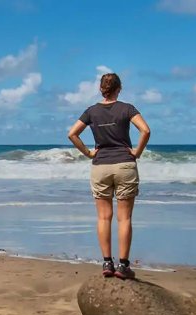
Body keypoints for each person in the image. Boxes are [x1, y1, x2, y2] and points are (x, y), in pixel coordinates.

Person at [67, 73, 151, 279]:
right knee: (124, 218)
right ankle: (123, 266)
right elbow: (146, 130)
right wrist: (137, 152)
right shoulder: (127, 108)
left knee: (104, 217)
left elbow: (72, 134)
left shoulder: (92, 111)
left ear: (101, 89)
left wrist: (88, 153)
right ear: (119, 88)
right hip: (124, 165)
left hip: (101, 166)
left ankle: (107, 263)